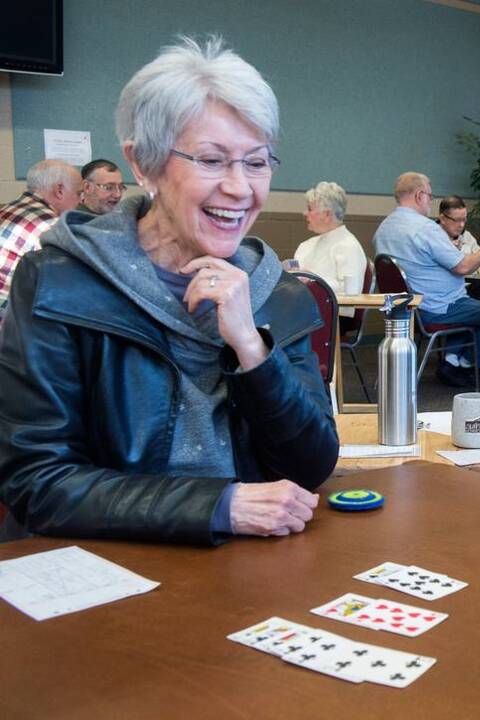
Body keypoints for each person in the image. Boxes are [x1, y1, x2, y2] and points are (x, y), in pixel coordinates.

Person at [0, 36, 338, 544]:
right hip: (101, 570)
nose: (240, 188)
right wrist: (219, 506)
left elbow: (311, 465)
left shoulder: (277, 293)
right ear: (144, 164)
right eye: (211, 159)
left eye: (257, 161)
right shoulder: (57, 281)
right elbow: (38, 482)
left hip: (243, 574)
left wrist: (252, 347)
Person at [373, 172, 480, 387]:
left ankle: (452, 361)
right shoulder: (426, 229)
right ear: (419, 196)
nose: (430, 201)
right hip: (436, 307)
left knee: (469, 305)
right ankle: (471, 367)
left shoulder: (383, 229)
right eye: (430, 196)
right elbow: (462, 266)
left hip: (403, 310)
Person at [0, 159, 81, 321]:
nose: (80, 201)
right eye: (79, 193)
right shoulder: (52, 229)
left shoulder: (5, 210)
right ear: (59, 190)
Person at [294, 180, 368, 317]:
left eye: (310, 209)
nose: (305, 213)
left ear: (327, 215)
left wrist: (312, 280)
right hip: (304, 313)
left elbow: (351, 295)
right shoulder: (306, 245)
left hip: (331, 319)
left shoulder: (349, 246)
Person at [437, 195, 480, 278]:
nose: (461, 225)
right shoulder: (432, 237)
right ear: (442, 219)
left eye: (464, 220)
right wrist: (475, 261)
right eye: (457, 220)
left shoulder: (466, 236)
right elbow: (457, 268)